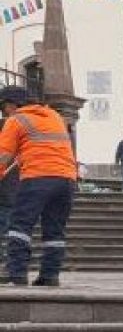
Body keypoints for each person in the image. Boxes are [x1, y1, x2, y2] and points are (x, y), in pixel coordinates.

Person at [0, 86, 78, 287]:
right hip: (67, 179)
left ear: (12, 104)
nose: (4, 111)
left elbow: (3, 156)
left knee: (20, 225)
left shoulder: (16, 120)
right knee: (54, 230)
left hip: (38, 177)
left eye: (3, 107)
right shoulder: (53, 116)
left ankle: (16, 273)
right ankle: (49, 275)